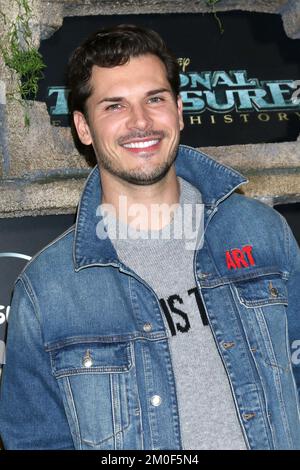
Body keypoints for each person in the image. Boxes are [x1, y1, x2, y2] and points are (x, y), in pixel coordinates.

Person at [0, 24, 300, 451]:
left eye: (154, 99)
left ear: (178, 110)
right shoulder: (47, 291)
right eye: (115, 106)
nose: (141, 122)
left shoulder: (262, 232)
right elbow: (37, 441)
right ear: (83, 129)